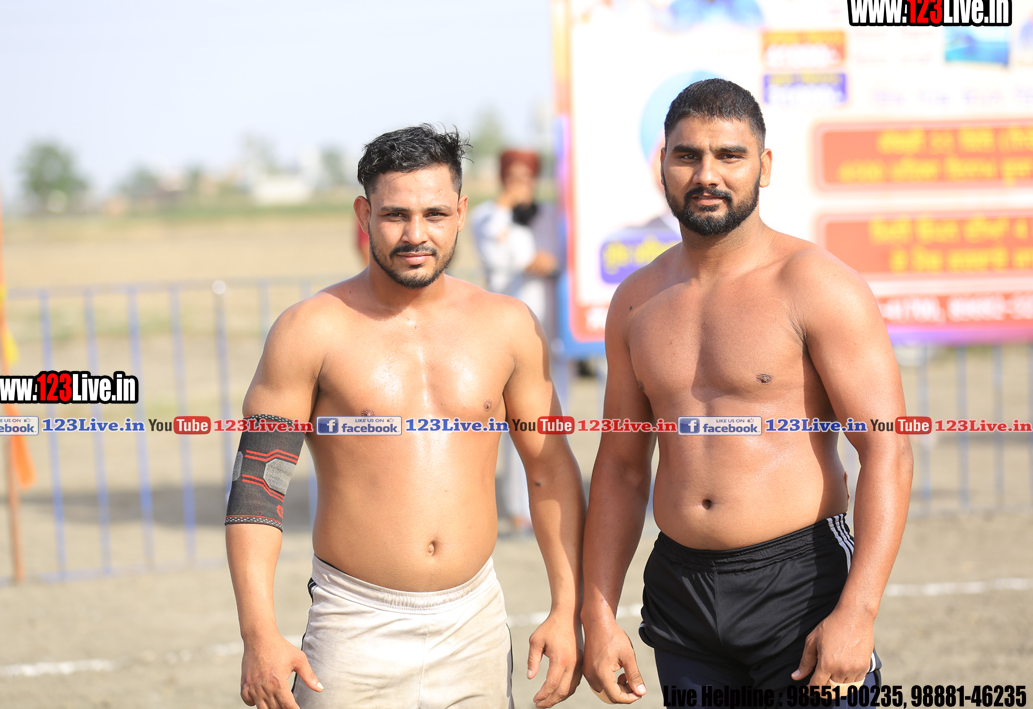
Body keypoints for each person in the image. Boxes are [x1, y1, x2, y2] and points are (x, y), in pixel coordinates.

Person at [225, 124, 585, 709]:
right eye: (395, 215)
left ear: (461, 213)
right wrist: (258, 633)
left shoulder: (508, 325)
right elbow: (257, 488)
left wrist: (567, 609)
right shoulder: (310, 329)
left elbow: (550, 471)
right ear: (364, 214)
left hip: (475, 623)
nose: (416, 235)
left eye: (435, 214)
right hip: (353, 624)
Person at [580, 79, 913, 702]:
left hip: (800, 585)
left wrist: (858, 610)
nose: (707, 174)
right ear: (662, 165)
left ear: (764, 166)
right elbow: (622, 467)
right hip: (682, 594)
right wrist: (596, 614)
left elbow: (887, 450)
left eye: (729, 156)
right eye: (688, 156)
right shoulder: (636, 300)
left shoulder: (815, 284)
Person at [470, 149, 568, 533]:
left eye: (527, 178)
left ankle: (554, 503)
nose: (521, 186)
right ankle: (517, 507)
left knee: (553, 423)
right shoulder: (486, 215)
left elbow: (557, 257)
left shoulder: (551, 215)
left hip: (553, 335)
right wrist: (506, 204)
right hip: (507, 337)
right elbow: (510, 255)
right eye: (513, 178)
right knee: (515, 425)